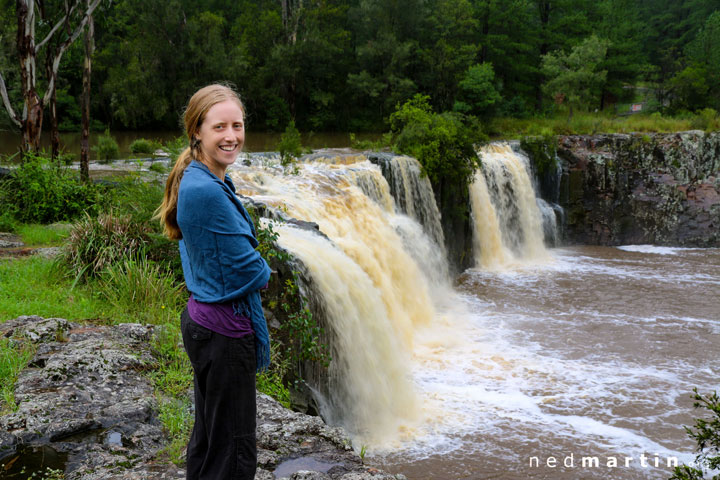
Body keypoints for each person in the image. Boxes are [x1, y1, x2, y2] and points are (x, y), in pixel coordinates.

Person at [156, 84, 272, 479]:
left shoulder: (199, 176)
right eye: (219, 126)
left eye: (237, 126)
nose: (231, 136)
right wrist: (261, 269)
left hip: (206, 321)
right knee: (235, 453)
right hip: (225, 332)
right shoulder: (206, 190)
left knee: (209, 443)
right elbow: (254, 270)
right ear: (198, 131)